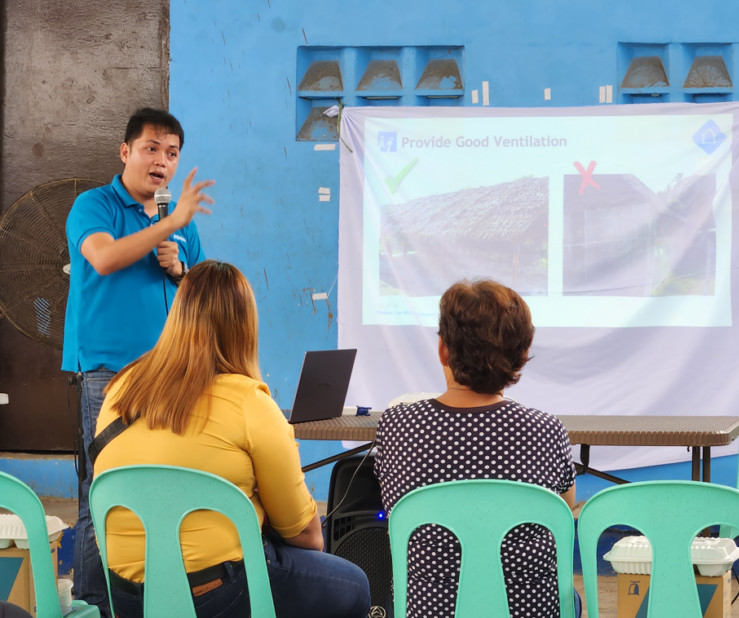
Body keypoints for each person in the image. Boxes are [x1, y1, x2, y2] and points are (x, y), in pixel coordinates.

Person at [93, 261, 370, 618]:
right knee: (353, 586)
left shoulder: (121, 388)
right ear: (245, 328)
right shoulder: (248, 401)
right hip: (215, 595)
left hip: (128, 597)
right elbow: (306, 535)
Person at [63, 108, 212, 615]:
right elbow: (103, 258)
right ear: (125, 152)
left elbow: (199, 295)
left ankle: (147, 596)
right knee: (103, 492)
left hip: (169, 372)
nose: (162, 162)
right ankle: (93, 604)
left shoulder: (178, 224)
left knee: (163, 485)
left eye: (172, 153)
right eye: (152, 149)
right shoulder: (94, 205)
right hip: (107, 373)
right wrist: (167, 225)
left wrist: (182, 267)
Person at [374, 279, 580, 618]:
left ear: (443, 350)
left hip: (428, 610)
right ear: (522, 356)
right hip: (527, 610)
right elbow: (560, 508)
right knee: (571, 598)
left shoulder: (397, 425)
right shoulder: (545, 429)